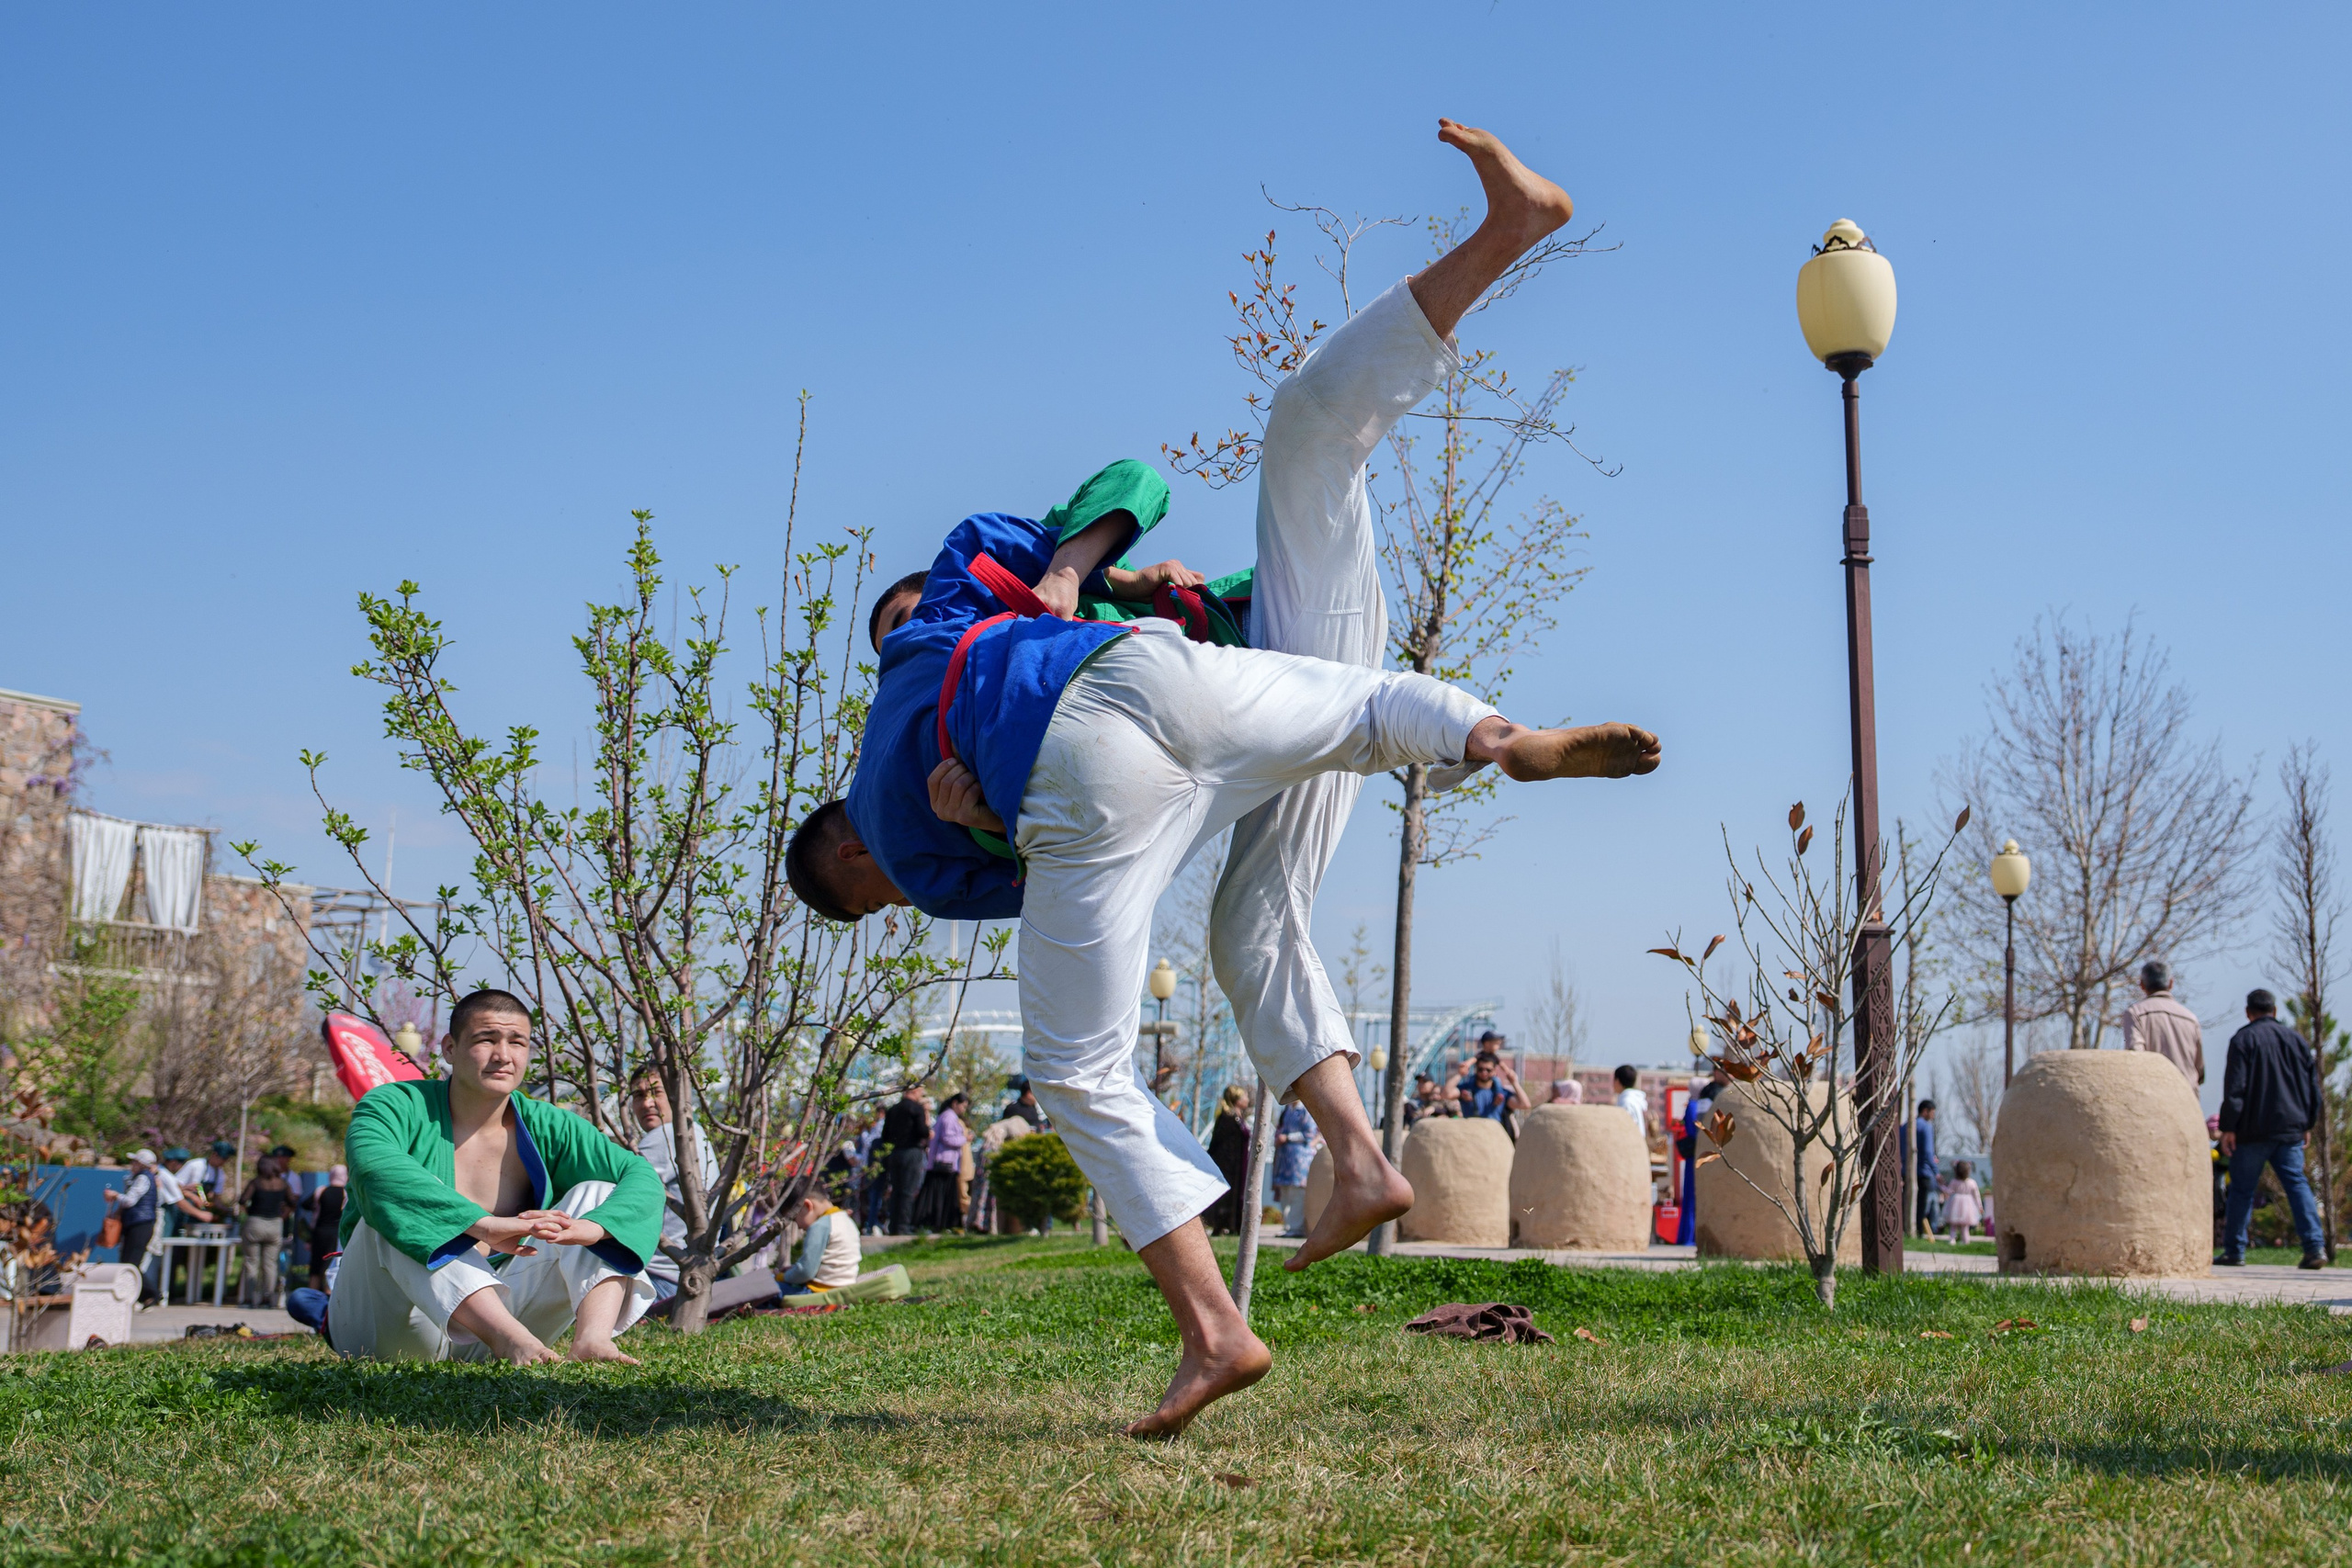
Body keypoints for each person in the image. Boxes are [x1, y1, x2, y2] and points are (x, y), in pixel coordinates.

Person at [789, 121, 1655, 1436]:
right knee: (1275, 875)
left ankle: (1230, 1300)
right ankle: (1488, 757)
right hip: (1193, 705)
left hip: (1173, 712)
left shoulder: (949, 702)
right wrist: (1073, 613)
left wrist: (1076, 574)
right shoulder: (965, 620)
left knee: (1104, 1041)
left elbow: (1130, 481)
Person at [325, 987, 664, 1363]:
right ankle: (509, 1339)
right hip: (390, 1331)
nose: (503, 1055)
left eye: (517, 1042)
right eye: (486, 1039)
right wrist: (483, 1225)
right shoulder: (394, 1105)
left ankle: (591, 1342)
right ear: (450, 1048)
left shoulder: (548, 1125)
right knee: (395, 1209)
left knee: (599, 1193)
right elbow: (375, 1169)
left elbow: (639, 1175)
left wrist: (598, 1228)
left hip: (497, 1327)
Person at [2216, 988, 2328, 1269]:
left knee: (2241, 1190)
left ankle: (2234, 1251)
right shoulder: (2296, 1040)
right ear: (2275, 1011)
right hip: (2290, 1127)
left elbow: (2235, 1088)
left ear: (2248, 1012)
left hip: (2252, 1130)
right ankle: (2315, 1248)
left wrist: (2228, 1127)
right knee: (2297, 1185)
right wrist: (2307, 1123)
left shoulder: (2243, 1039)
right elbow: (2312, 1088)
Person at [628, 1065, 723, 1304]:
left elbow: (611, 1191)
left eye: (656, 1093)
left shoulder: (668, 1135)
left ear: (675, 1097)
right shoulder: (694, 1133)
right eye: (639, 1095)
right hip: (688, 1278)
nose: (647, 1103)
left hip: (659, 1280)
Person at [2121, 960, 2205, 1089]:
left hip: (2154, 1097)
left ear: (2142, 985)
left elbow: (2136, 1057)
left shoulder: (2135, 1014)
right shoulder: (2190, 1018)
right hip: (2188, 1100)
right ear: (2171, 983)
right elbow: (2199, 1070)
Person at [776, 1184, 863, 1296]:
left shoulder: (820, 1226)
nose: (797, 1225)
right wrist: (794, 1269)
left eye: (795, 1218)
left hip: (820, 1290)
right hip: (844, 1284)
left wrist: (782, 1277)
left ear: (807, 1205)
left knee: (769, 1288)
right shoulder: (845, 1219)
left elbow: (806, 1272)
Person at [104, 1149, 164, 1305]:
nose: (132, 1165)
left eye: (135, 1162)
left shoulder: (143, 1178)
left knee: (131, 1264)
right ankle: (145, 1296)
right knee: (128, 1262)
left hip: (140, 1225)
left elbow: (130, 1201)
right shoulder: (143, 1178)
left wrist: (115, 1195)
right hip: (137, 1224)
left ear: (141, 1164)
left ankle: (152, 1294)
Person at [237, 1155, 296, 1306]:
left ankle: (250, 1298)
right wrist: (284, 1215)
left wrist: (247, 1211)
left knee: (251, 1262)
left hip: (255, 1222)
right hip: (275, 1224)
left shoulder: (256, 1182)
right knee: (270, 1264)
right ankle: (267, 1298)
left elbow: (243, 1200)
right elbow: (293, 1202)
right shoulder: (283, 1184)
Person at [877, 1084, 932, 1235]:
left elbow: (885, 1135)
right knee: (908, 1190)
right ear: (914, 1091)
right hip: (912, 1152)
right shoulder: (916, 1109)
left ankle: (894, 1225)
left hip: (895, 1153)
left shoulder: (893, 1109)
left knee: (896, 1190)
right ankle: (903, 1226)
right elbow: (923, 1131)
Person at [915, 1091, 970, 1232]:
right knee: (939, 1195)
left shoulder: (946, 1116)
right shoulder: (949, 1118)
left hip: (944, 1162)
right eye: (963, 1106)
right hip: (944, 1162)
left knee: (939, 1195)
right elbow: (948, 1138)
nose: (963, 1109)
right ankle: (937, 1223)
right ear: (955, 1103)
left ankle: (939, 1223)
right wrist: (965, 1139)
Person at [1204, 1086, 1254, 1235]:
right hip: (1228, 1164)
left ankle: (1234, 1225)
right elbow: (1218, 1141)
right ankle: (1221, 1224)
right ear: (1236, 1100)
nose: (1247, 1100)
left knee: (1238, 1193)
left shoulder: (1239, 1117)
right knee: (1227, 1195)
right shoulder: (1227, 1117)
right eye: (1243, 1097)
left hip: (1239, 1163)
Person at [1271, 1101, 1318, 1237]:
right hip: (1284, 1159)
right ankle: (1288, 1226)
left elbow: (1310, 1133)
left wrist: (1287, 1137)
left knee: (1297, 1193)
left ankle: (1296, 1227)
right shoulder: (1287, 1110)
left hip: (1299, 1160)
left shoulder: (1305, 1110)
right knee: (1285, 1192)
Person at [1455, 1051, 1525, 1127]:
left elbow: (1525, 1104)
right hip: (1472, 1132)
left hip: (1492, 1134)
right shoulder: (1467, 1089)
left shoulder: (1502, 1093)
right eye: (1480, 1069)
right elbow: (1446, 1093)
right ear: (1476, 1069)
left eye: (1488, 1070)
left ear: (1494, 1071)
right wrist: (1460, 1074)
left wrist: (1514, 1082)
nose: (1484, 1073)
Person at [309, 1163, 348, 1292]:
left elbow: (306, 1204)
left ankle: (312, 1295)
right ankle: (329, 1295)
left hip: (319, 1232)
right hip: (335, 1234)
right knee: (331, 1265)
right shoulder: (345, 1193)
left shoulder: (321, 1190)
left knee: (315, 1265)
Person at [1912, 1099, 1940, 1238]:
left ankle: (1909, 1228)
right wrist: (1936, 1171)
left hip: (1909, 1171)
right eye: (1933, 1112)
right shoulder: (1926, 1126)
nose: (1933, 1116)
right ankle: (1920, 1231)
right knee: (1923, 1205)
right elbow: (1929, 1152)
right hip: (1924, 1172)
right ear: (1925, 1111)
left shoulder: (1908, 1126)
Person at [1943, 1160, 1984, 1242]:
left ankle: (1952, 1239)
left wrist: (1941, 1186)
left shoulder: (1954, 1182)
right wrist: (1980, 1206)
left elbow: (1948, 1191)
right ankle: (1966, 1240)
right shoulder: (1972, 1182)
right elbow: (1977, 1196)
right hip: (1968, 1205)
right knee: (1965, 1226)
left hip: (1955, 1203)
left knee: (1953, 1225)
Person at [1613, 1065, 1648, 1134]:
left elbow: (1625, 1129)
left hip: (1630, 1144)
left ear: (1618, 1081)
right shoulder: (1635, 1100)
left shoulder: (1626, 1102)